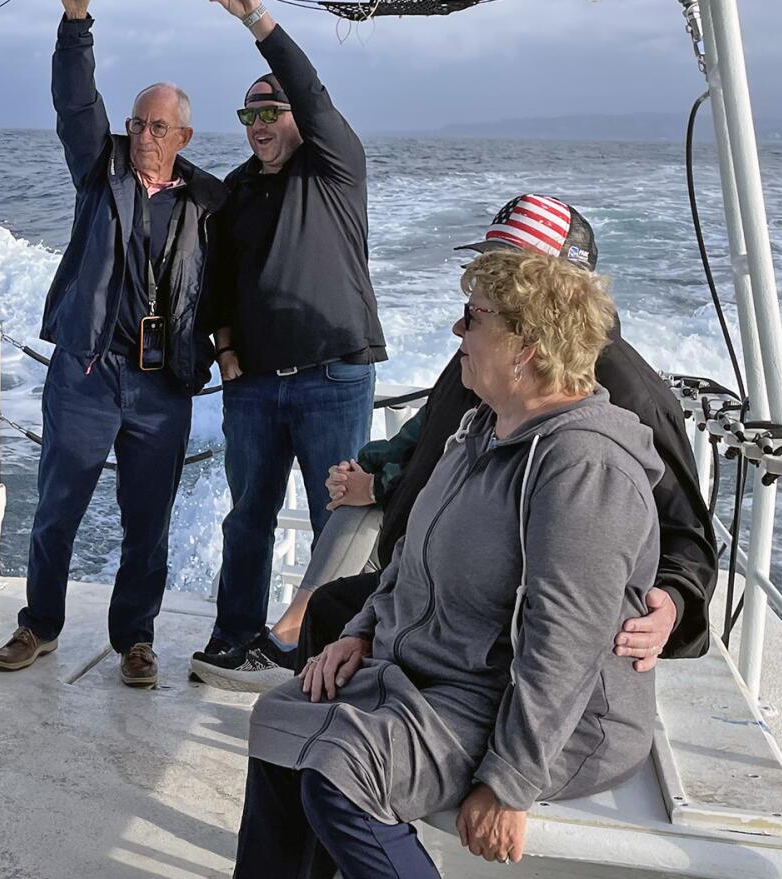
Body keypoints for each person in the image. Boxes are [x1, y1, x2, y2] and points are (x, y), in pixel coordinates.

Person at [195, 248, 661, 879]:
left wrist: (510, 781)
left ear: (527, 349)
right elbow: (411, 559)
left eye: (473, 318)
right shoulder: (482, 429)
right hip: (444, 673)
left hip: (545, 713)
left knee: (343, 772)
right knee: (280, 719)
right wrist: (359, 631)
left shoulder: (582, 466)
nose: (456, 331)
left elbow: (564, 646)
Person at [196, 194, 718, 694]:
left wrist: (670, 604)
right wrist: (380, 482)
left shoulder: (624, 392)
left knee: (335, 622)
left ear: (549, 296)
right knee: (337, 615)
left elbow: (684, 537)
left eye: (504, 275)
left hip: (490, 618)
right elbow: (432, 439)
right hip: (428, 570)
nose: (477, 301)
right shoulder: (488, 351)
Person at [0, 0, 226, 687]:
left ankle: (136, 638)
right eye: (136, 122)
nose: (144, 134)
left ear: (183, 135)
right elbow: (74, 103)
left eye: (158, 126)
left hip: (162, 385)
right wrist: (76, 23)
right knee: (57, 508)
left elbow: (227, 290)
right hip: (88, 372)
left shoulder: (208, 203)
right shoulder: (103, 170)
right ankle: (38, 622)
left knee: (147, 523)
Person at [193, 0, 387, 687]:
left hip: (332, 375)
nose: (259, 124)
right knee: (247, 515)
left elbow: (306, 85)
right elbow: (213, 288)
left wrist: (257, 22)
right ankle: (235, 636)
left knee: (343, 520)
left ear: (300, 119)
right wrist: (226, 353)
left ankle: (329, 647)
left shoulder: (335, 167)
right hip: (252, 386)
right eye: (249, 114)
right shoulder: (235, 192)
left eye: (271, 111)